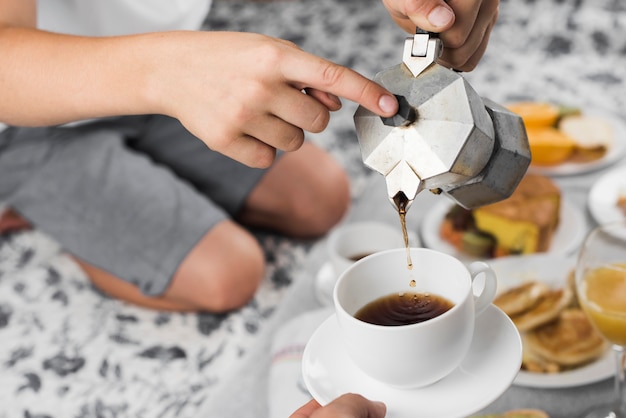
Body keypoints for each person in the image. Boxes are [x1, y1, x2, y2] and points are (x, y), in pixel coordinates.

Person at [0, 0, 496, 315]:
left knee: (320, 197)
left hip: (154, 61)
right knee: (229, 276)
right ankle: (39, 210)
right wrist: (171, 71)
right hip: (31, 108)